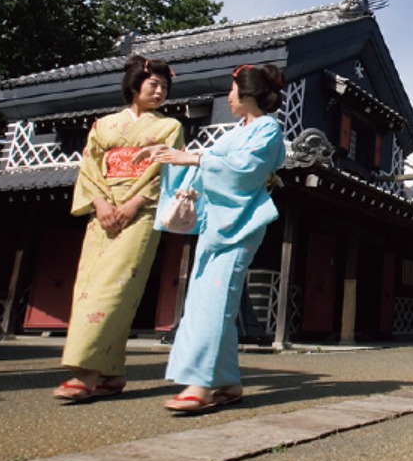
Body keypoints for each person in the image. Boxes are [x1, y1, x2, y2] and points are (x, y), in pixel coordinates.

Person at [137, 63, 287, 412]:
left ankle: (200, 383)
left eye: (232, 91)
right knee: (207, 300)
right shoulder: (239, 130)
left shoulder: (268, 129)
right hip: (218, 222)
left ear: (248, 94)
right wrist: (167, 157)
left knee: (217, 301)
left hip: (241, 222)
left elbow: (243, 171)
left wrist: (191, 157)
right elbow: (210, 166)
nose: (229, 98)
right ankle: (228, 382)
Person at [53, 56, 183, 402]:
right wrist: (100, 204)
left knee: (114, 290)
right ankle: (111, 372)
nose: (160, 91)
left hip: (138, 213)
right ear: (134, 85)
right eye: (153, 84)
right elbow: (91, 168)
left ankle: (86, 373)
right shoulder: (103, 125)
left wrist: (134, 202)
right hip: (103, 211)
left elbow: (168, 172)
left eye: (165, 87)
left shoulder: (169, 128)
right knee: (88, 286)